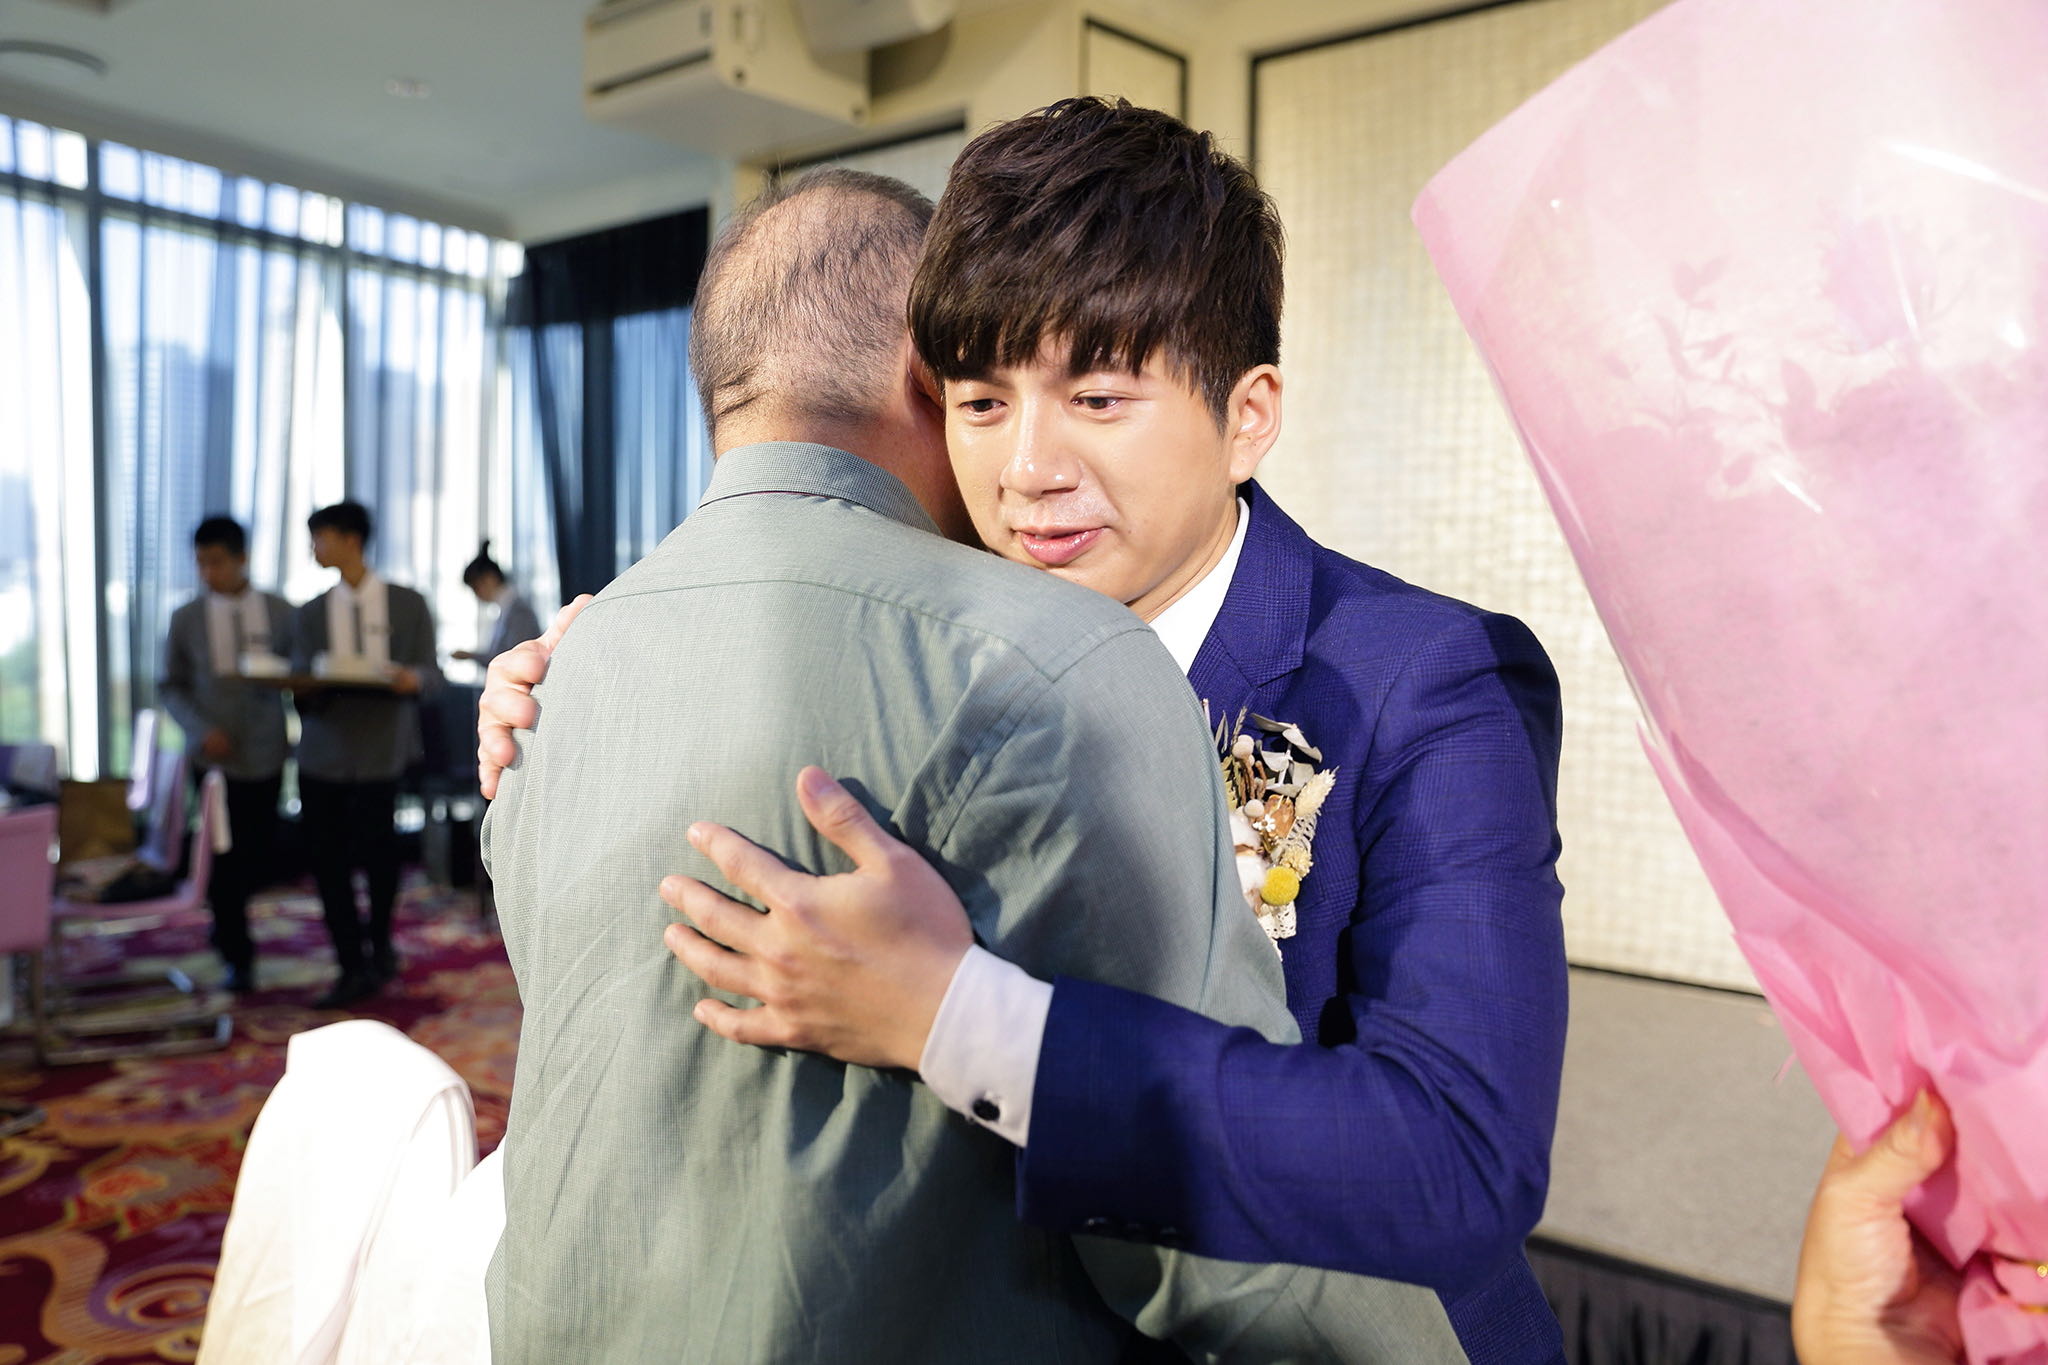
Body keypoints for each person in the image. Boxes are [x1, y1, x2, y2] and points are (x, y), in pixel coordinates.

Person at [481, 100, 1570, 1362]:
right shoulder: (940, 649)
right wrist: (568, 688)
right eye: (980, 402)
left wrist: (956, 1017)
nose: (1026, 471)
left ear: (1247, 416)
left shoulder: (1426, 678)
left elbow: (1454, 1157)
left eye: (1097, 398)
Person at [293, 501, 442, 1009]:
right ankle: (349, 963)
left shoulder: (408, 604)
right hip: (323, 755)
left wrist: (410, 678)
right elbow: (299, 682)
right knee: (328, 864)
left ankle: (380, 946)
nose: (314, 549)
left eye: (321, 538)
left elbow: (432, 675)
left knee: (381, 860)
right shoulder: (310, 613)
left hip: (382, 752)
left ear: (351, 540)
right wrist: (305, 684)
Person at [157, 515, 294, 992]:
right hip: (212, 758)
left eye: (216, 561)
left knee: (257, 852)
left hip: (267, 751)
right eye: (201, 563)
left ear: (242, 558)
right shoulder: (186, 617)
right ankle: (238, 953)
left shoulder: (280, 611)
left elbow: (300, 673)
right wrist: (200, 730)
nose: (208, 572)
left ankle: (229, 924)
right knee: (220, 855)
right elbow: (169, 685)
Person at [450, 542, 540, 669]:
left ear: (489, 578)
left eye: (476, 588)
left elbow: (515, 658)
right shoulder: (506, 609)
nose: (477, 595)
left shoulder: (519, 612)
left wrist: (470, 656)